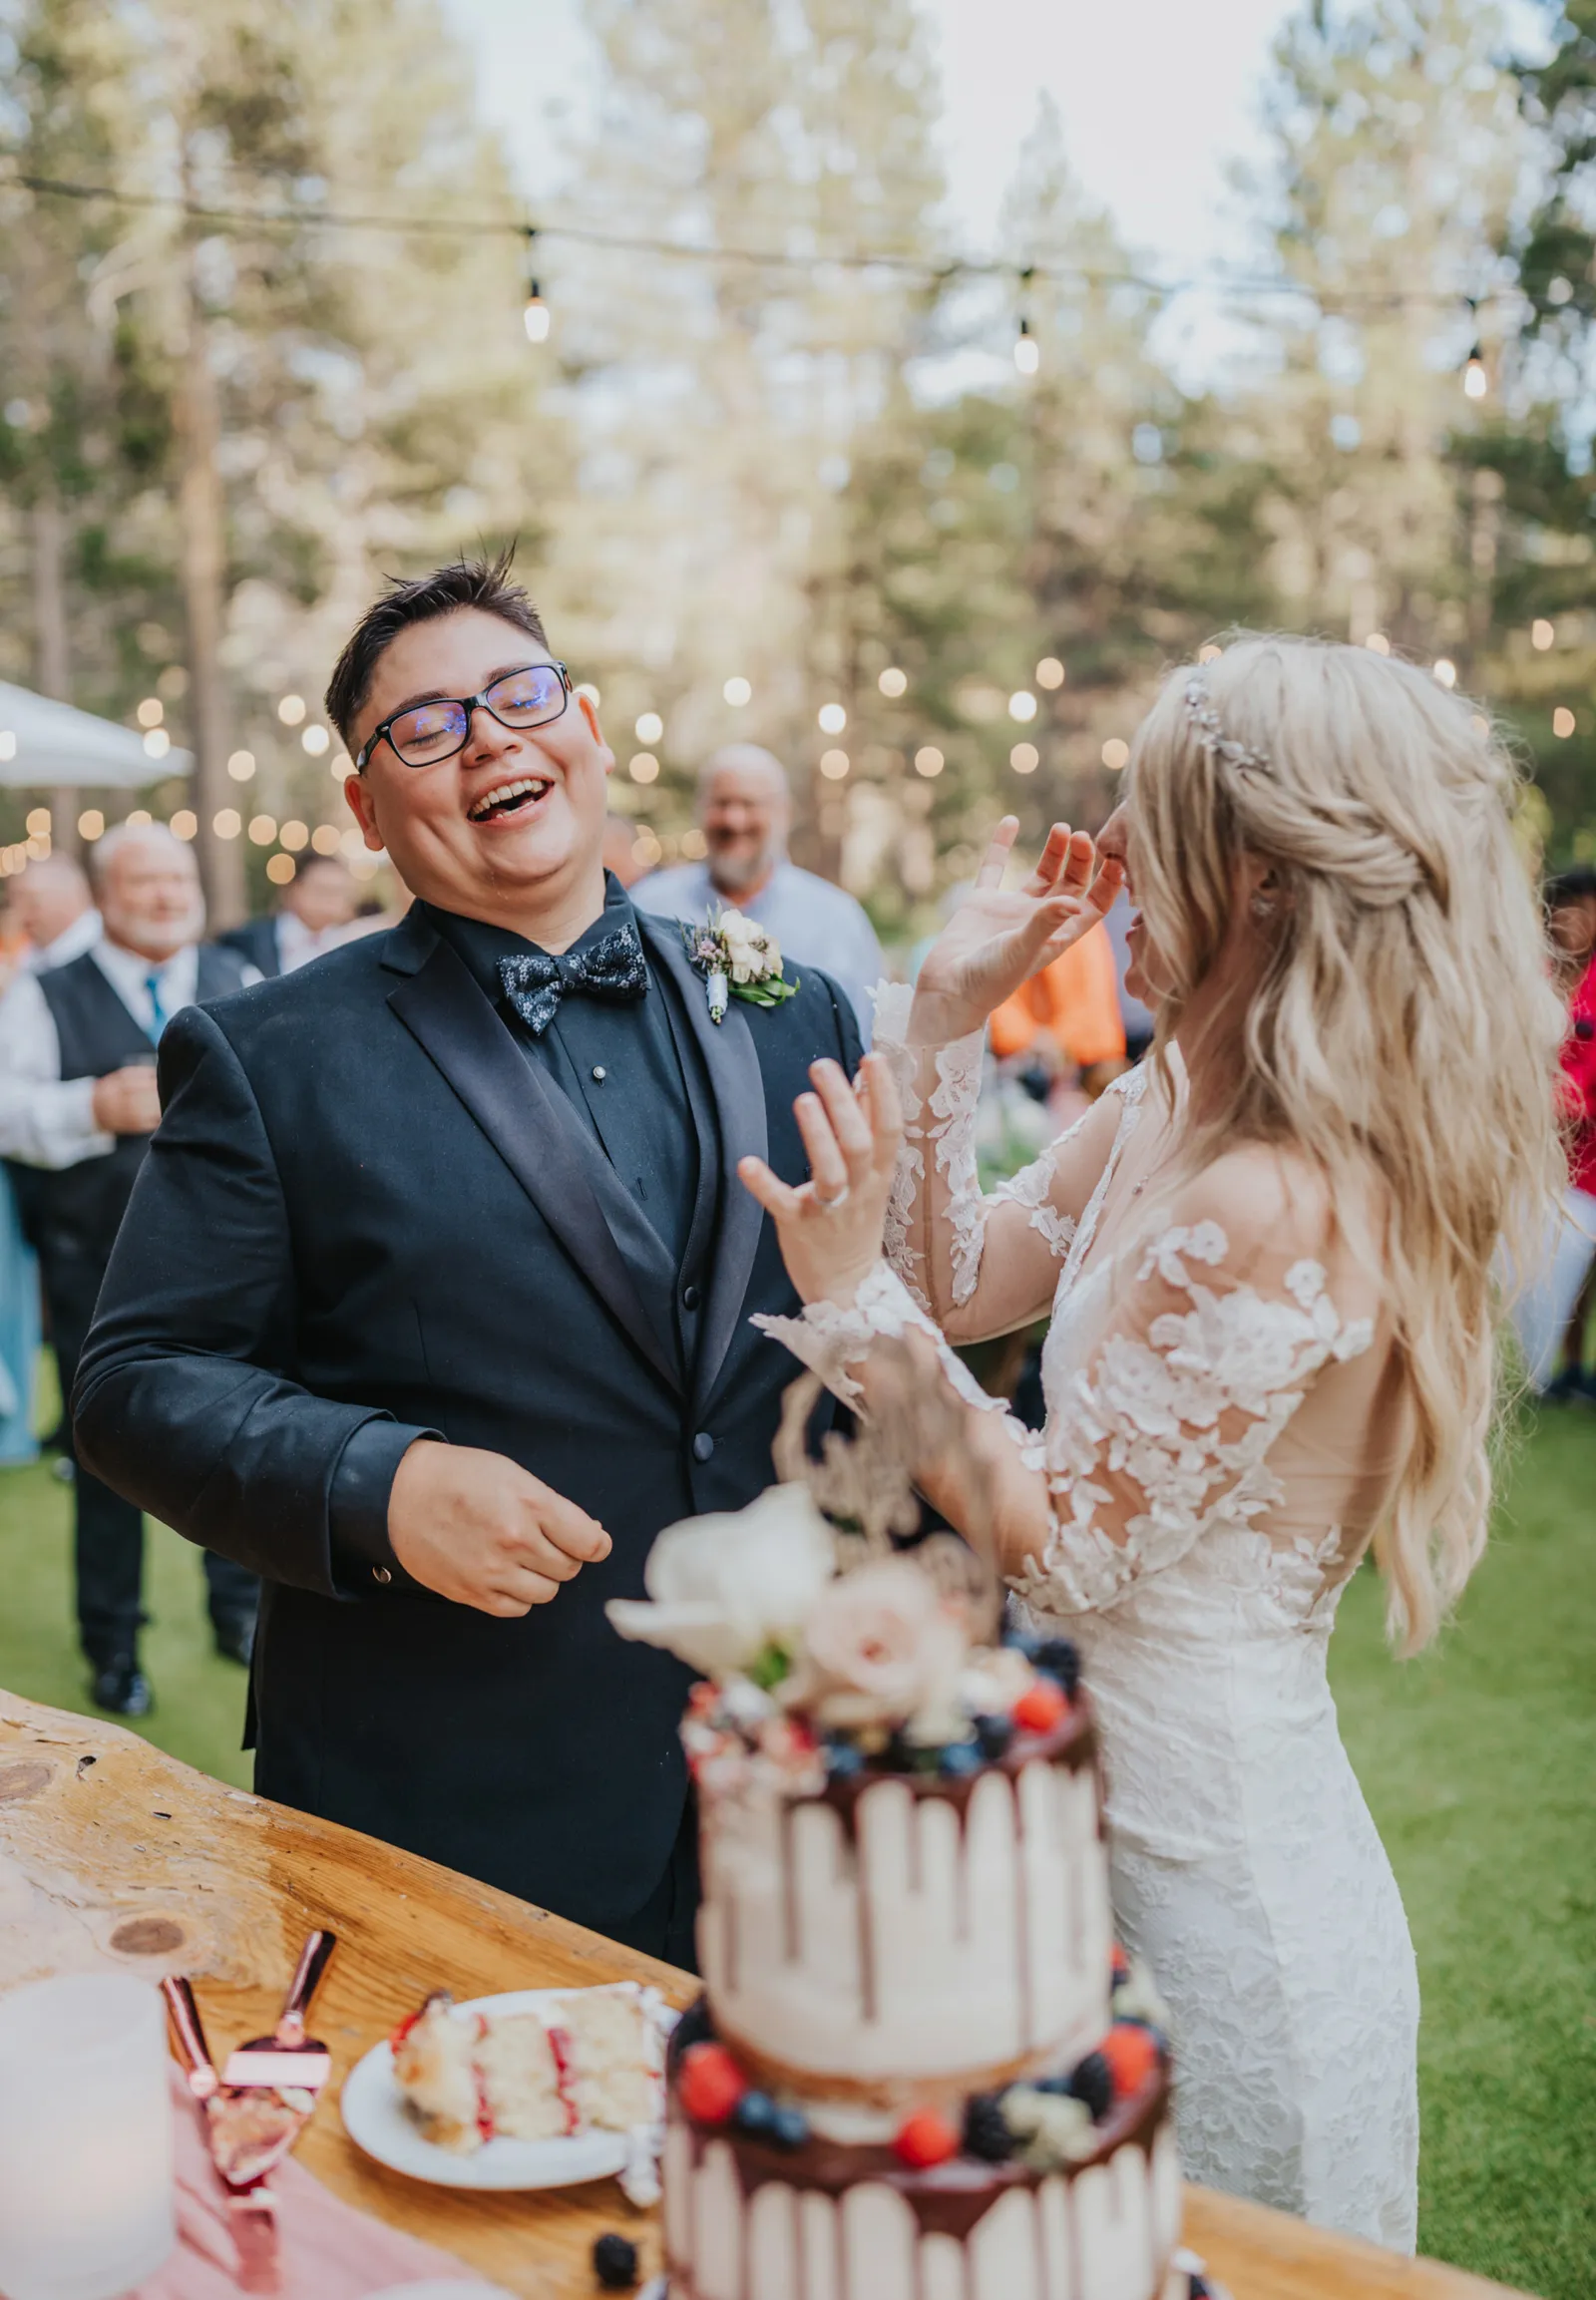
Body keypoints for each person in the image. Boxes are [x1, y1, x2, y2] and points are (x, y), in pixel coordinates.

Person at [737, 635, 1562, 2249]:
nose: (1109, 867)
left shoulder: (1288, 1195)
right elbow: (963, 1284)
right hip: (1074, 1840)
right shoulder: (1183, 1096)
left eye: (1145, 827)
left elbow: (1071, 1539)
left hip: (1219, 1890)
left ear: (1254, 875)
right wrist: (942, 1028)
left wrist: (847, 1303)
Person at [71, 553, 862, 1963]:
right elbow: (137, 1381)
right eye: (426, 725)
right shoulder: (268, 1057)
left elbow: (872, 1337)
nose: (490, 735)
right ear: (369, 810)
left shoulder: (800, 1009)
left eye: (519, 694)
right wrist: (380, 1482)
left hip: (805, 1786)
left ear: (592, 727)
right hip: (457, 1806)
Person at [0, 823, 258, 1713]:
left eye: (178, 879)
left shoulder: (240, 983)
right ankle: (113, 1647)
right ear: (105, 896)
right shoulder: (44, 994)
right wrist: (89, 1106)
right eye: (145, 880)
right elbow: (5, 1107)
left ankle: (239, 1613)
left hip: (236, 1268)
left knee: (242, 1442)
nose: (166, 895)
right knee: (106, 1457)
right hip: (96, 1268)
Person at [633, 743, 885, 1038]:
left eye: (750, 804)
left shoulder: (839, 921)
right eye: (721, 803)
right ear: (700, 810)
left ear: (785, 814)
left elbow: (867, 1039)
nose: (734, 820)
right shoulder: (647, 906)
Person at [1510, 865, 1596, 1393]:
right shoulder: (1536, 976)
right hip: (1532, 1150)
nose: (1575, 920)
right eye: (1567, 906)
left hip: (1585, 1153)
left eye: (1586, 910)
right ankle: (1544, 1370)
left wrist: (1563, 1102)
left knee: (1578, 1265)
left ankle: (1568, 1367)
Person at [217, 853, 359, 976]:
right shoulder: (247, 940)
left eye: (339, 892)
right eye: (323, 891)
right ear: (295, 889)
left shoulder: (349, 943)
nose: (331, 901)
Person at [11, 854, 101, 972]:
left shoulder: (103, 950)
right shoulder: (30, 954)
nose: (22, 916)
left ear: (66, 898)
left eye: (32, 903)